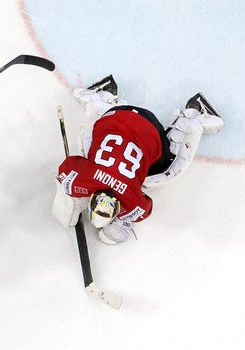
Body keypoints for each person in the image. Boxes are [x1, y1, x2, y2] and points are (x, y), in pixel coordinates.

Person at [52, 75, 224, 244]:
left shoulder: (130, 197)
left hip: (148, 127)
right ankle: (102, 98)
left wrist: (121, 221)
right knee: (89, 149)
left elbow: (143, 209)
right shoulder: (82, 180)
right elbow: (67, 167)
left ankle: (193, 116)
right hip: (116, 116)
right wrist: (75, 188)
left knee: (166, 170)